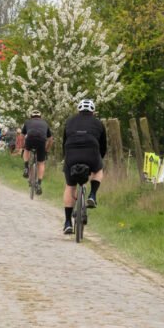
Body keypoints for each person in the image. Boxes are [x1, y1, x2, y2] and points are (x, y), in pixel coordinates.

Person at [61, 99, 107, 234]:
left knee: (70, 186)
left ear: (78, 110)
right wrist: (98, 160)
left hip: (71, 153)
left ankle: (68, 223)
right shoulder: (98, 123)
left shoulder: (70, 121)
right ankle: (92, 195)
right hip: (91, 152)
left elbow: (64, 142)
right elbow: (103, 146)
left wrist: (67, 159)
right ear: (93, 111)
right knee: (98, 170)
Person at [21, 109, 53, 194]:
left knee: (26, 150)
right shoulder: (45, 123)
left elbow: (22, 136)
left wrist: (23, 146)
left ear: (31, 117)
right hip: (41, 140)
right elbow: (50, 139)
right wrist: (47, 149)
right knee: (41, 163)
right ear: (40, 117)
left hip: (30, 138)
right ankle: (39, 184)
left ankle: (26, 168)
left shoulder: (28, 122)